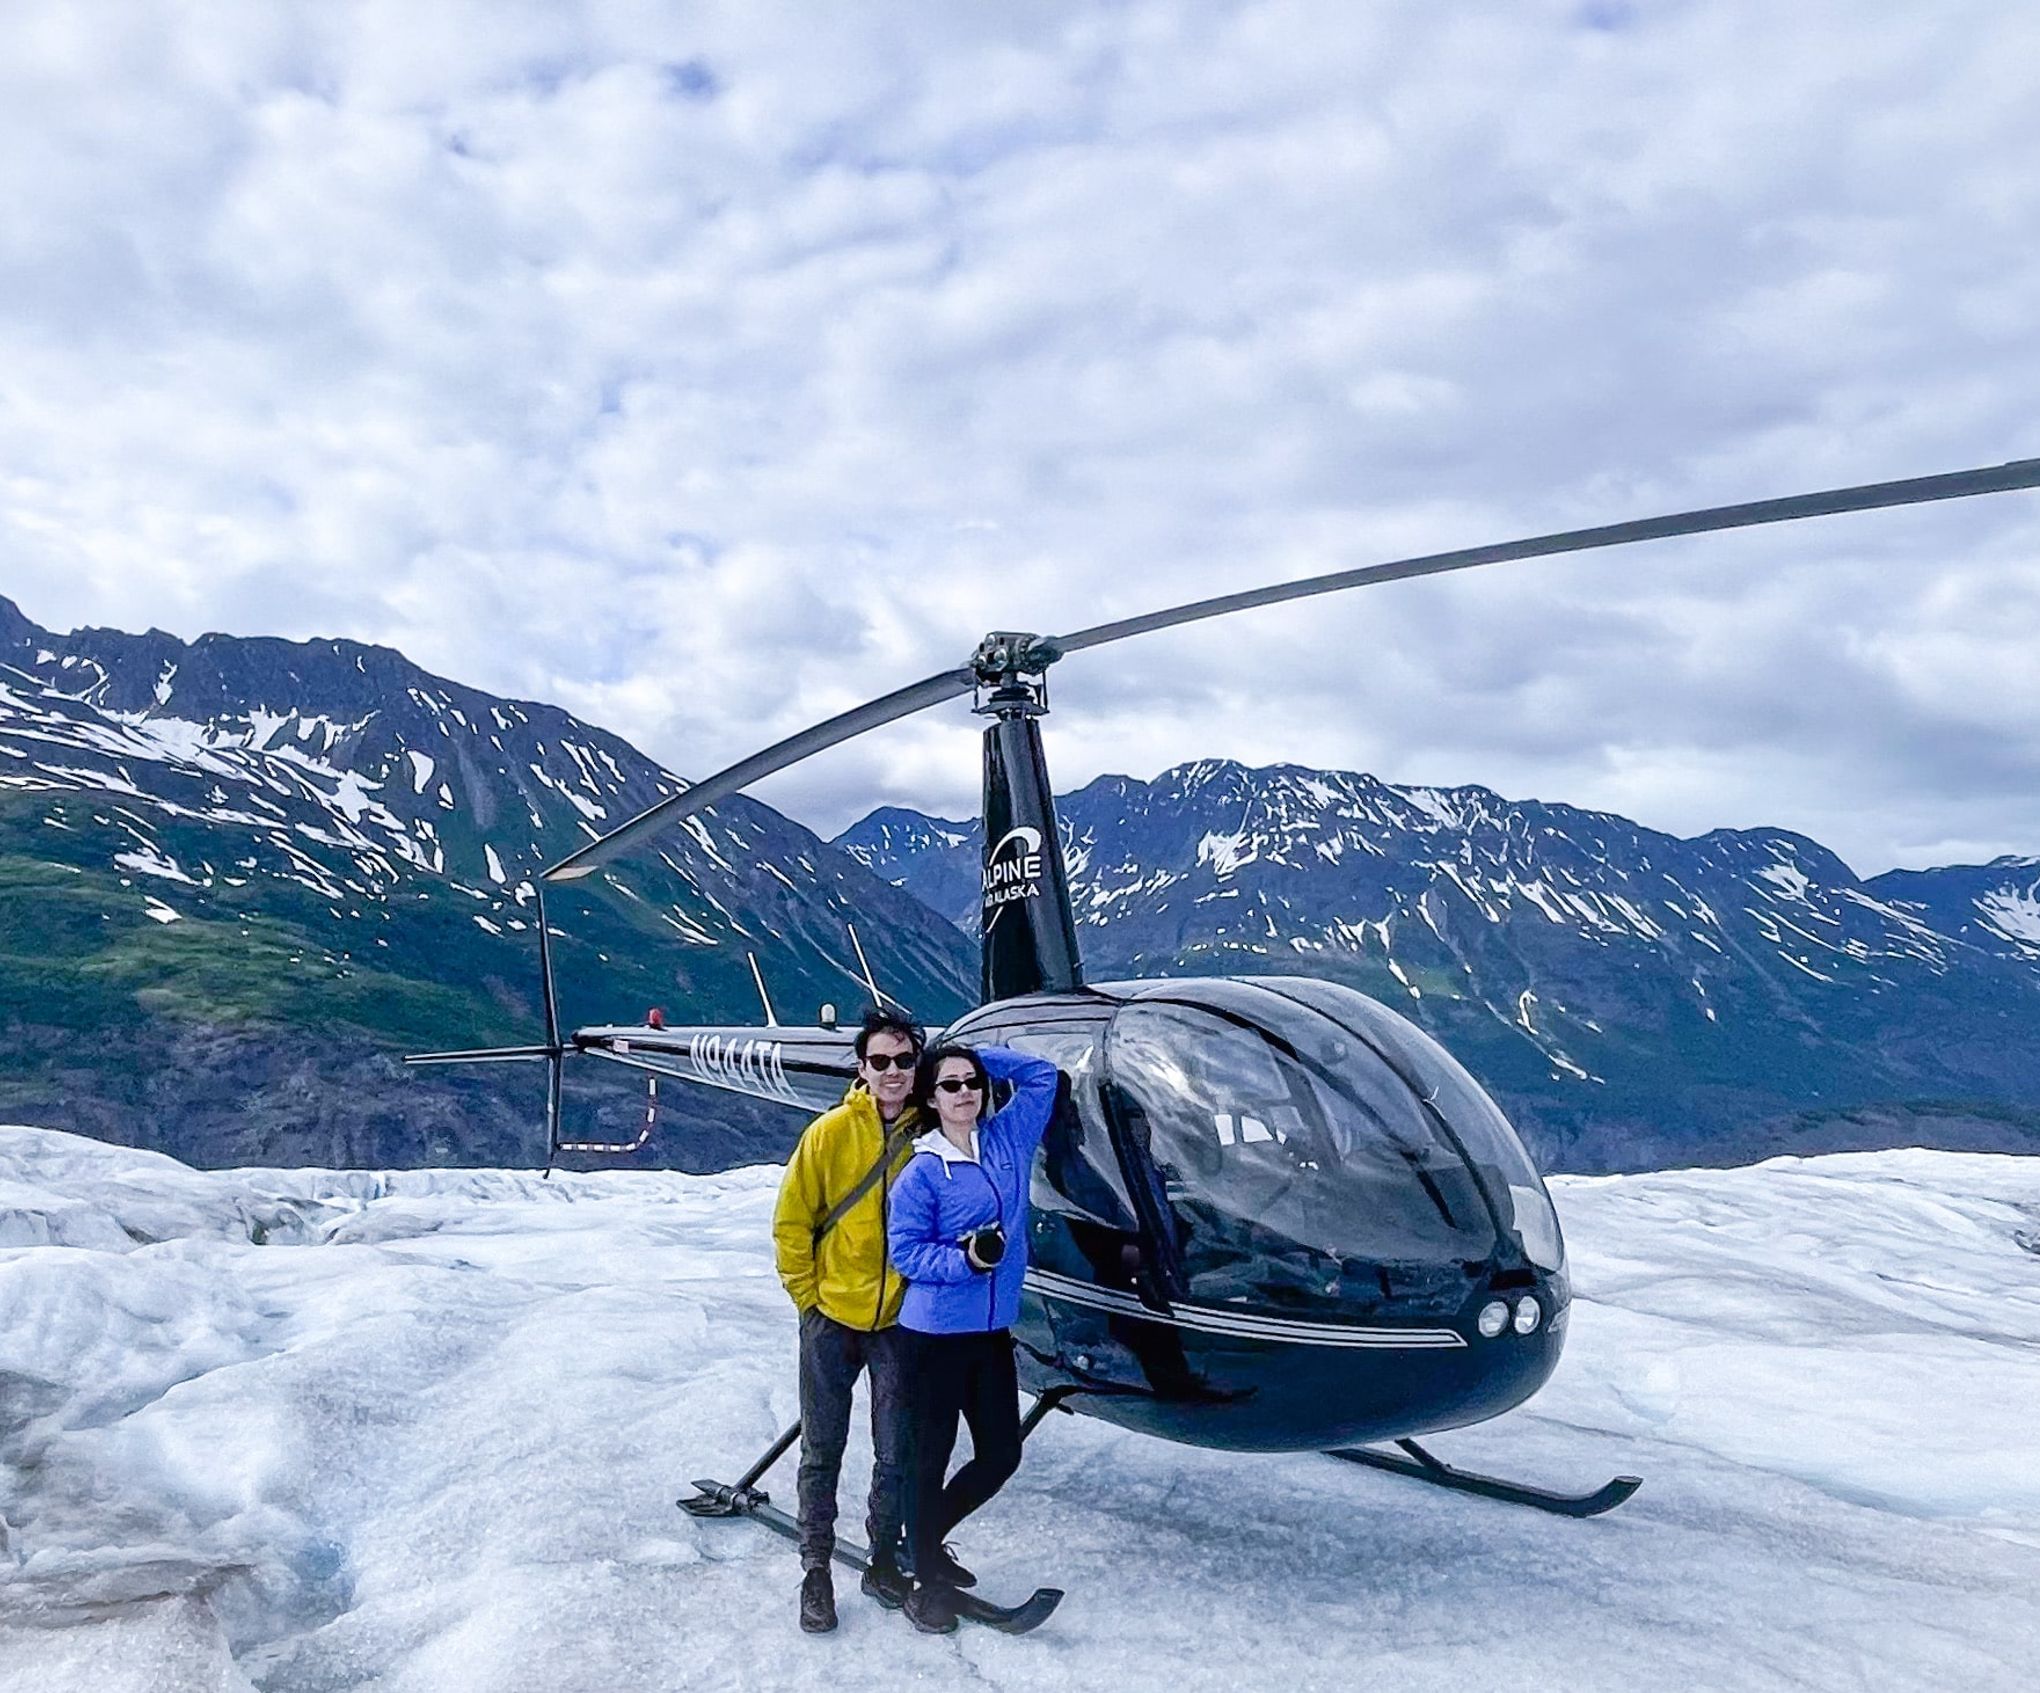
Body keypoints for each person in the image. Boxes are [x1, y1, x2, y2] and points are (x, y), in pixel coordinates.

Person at [885, 1039, 1062, 1634]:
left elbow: (1041, 1076)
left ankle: (923, 1541)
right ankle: (923, 1584)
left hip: (990, 1333)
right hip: (932, 1336)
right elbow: (905, 1253)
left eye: (972, 1083)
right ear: (930, 1099)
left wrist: (965, 1051)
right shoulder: (922, 1172)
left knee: (1000, 1454)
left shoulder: (1006, 1141)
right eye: (949, 1085)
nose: (964, 1094)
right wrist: (967, 1260)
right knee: (927, 1459)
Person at [771, 1006, 925, 1633]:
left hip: (895, 1321)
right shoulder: (830, 1134)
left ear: (919, 1067)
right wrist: (811, 1299)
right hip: (832, 1317)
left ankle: (882, 1558)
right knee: (823, 1447)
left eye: (905, 1061)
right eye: (880, 1061)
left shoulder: (932, 1135)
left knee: (896, 1450)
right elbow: (792, 1222)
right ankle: (816, 1570)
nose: (892, 1072)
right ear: (862, 1068)